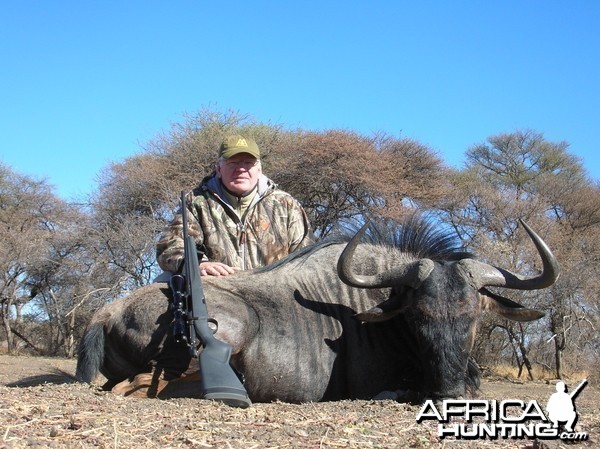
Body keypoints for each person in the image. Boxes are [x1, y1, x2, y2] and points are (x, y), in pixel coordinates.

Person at [156, 134, 313, 276]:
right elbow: (171, 246)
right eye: (233, 163)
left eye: (248, 163)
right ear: (218, 168)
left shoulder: (286, 205)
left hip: (273, 296)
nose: (241, 169)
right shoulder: (197, 202)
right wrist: (198, 265)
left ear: (259, 169)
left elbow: (307, 257)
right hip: (219, 294)